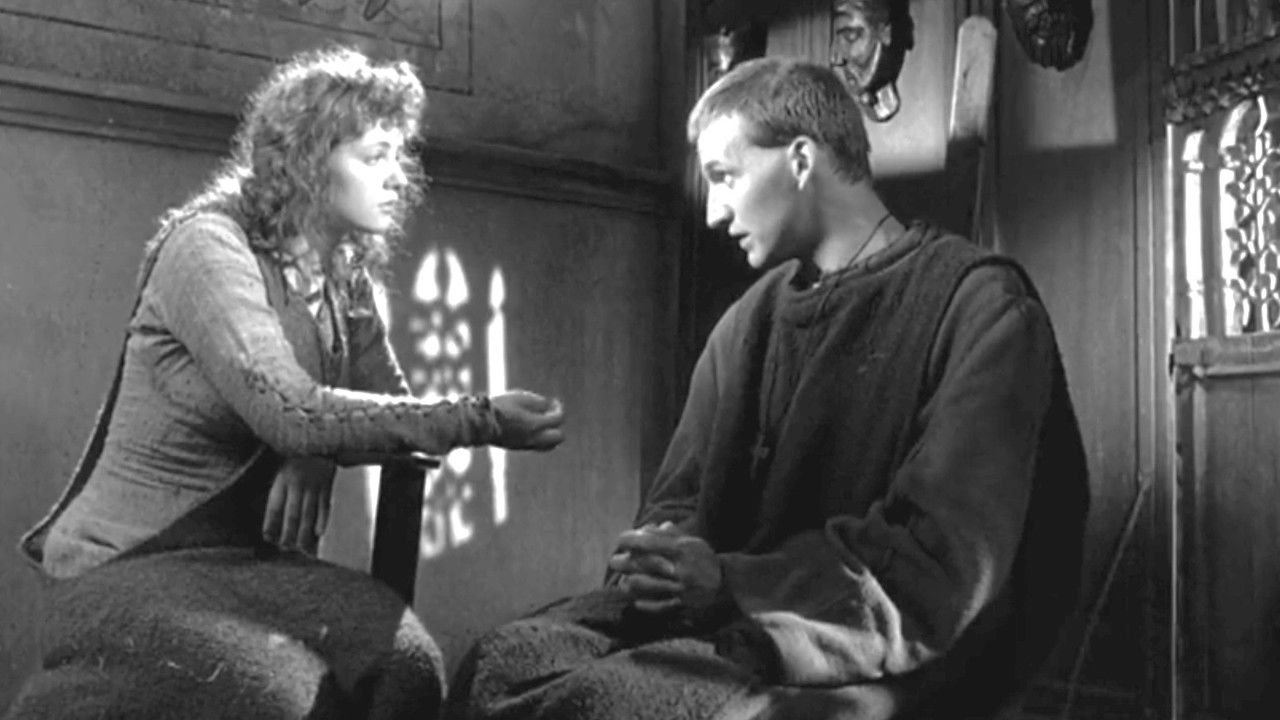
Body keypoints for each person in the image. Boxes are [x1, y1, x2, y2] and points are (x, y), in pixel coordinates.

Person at [445, 56, 1088, 720]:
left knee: (615, 704)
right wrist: (661, 562)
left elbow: (938, 567)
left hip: (873, 646)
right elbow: (678, 499)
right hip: (720, 619)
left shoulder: (980, 305)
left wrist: (729, 582)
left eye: (725, 176)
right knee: (504, 661)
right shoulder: (747, 321)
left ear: (801, 160)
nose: (714, 212)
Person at [5, 46, 564, 720]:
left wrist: (318, 451)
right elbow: (292, 412)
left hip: (238, 562)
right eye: (375, 156)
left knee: (408, 665)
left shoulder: (343, 276)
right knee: (283, 696)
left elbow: (387, 411)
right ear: (308, 161)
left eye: (399, 156)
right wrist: (483, 418)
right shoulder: (208, 248)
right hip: (127, 564)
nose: (399, 177)